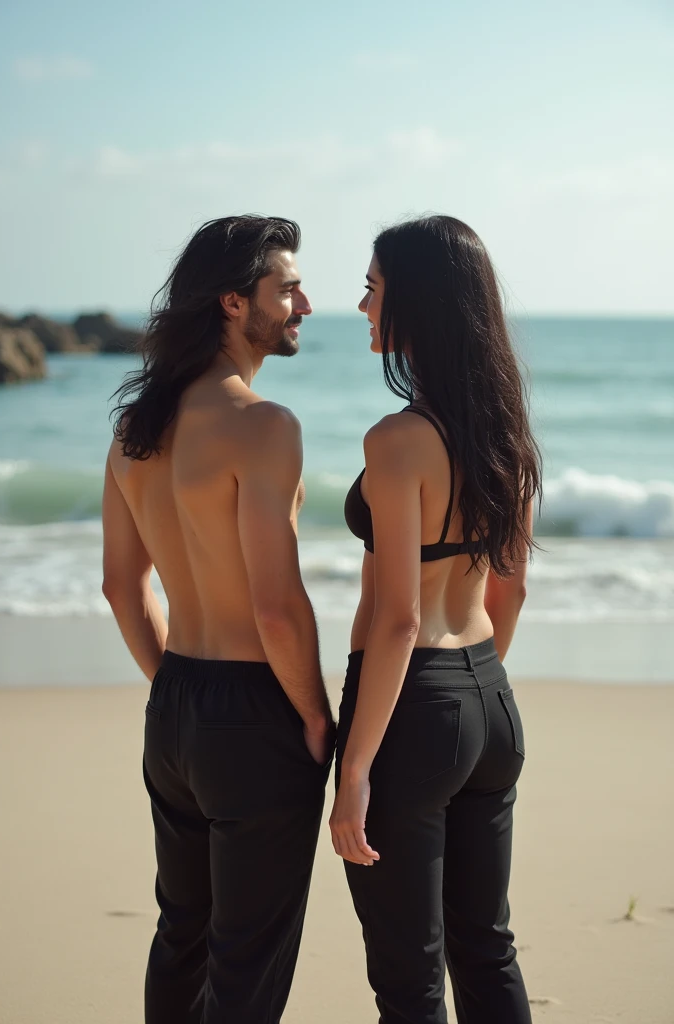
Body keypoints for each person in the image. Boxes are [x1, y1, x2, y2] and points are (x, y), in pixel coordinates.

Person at [102, 215, 334, 1024]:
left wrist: (174, 686)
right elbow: (276, 605)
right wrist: (313, 713)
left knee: (184, 936)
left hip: (174, 708)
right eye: (288, 288)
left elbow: (122, 589)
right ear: (236, 303)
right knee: (248, 961)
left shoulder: (137, 429)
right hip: (255, 712)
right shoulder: (263, 426)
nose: (305, 301)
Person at [330, 215, 542, 1024]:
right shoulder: (504, 427)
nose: (362, 307)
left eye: (374, 289)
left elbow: (395, 620)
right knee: (487, 949)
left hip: (413, 713)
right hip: (490, 703)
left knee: (410, 982)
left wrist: (356, 772)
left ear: (415, 302)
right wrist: (472, 693)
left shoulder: (397, 442)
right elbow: (509, 591)